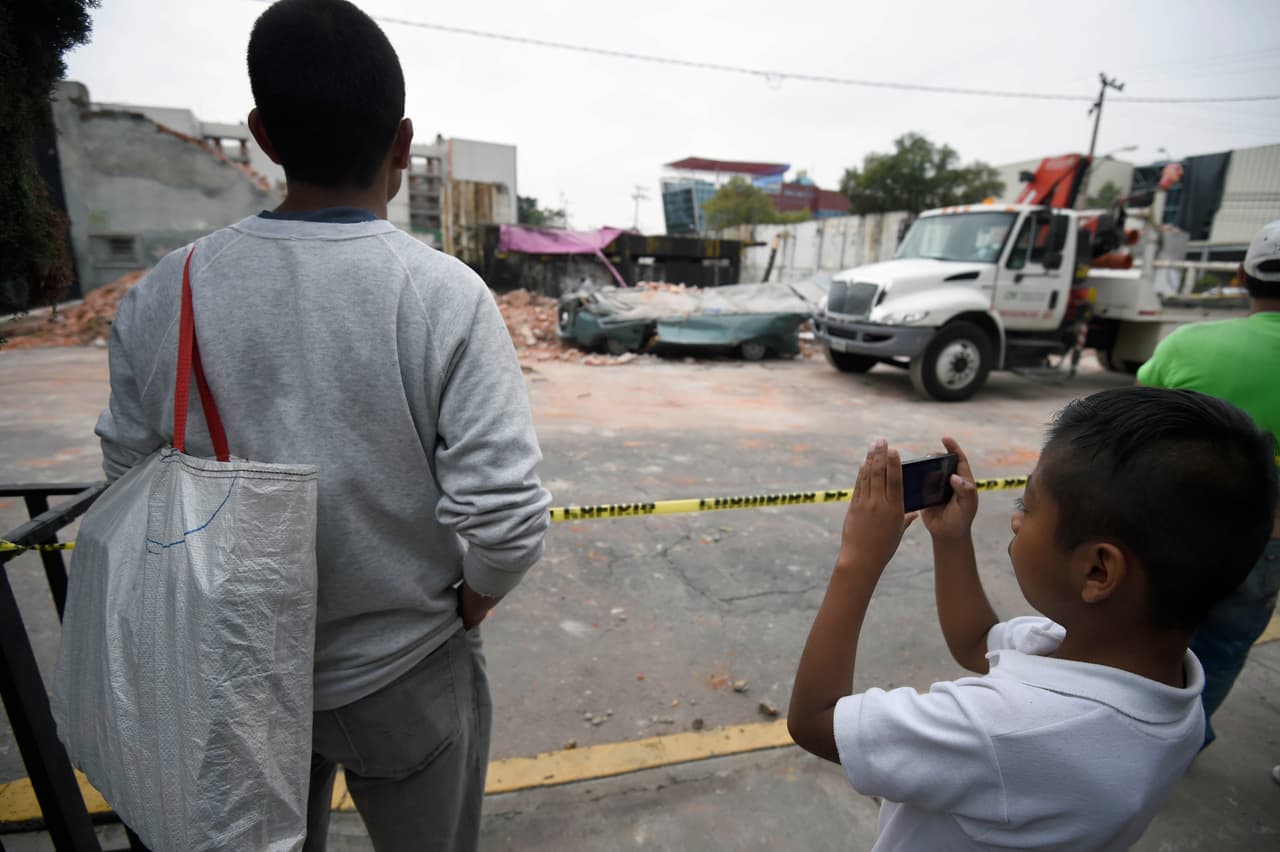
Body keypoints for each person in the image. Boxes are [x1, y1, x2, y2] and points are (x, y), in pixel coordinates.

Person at [94, 1, 550, 849]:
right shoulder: (442, 294)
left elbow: (127, 481)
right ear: (402, 145)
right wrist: (470, 603)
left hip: (234, 673)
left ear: (264, 135)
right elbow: (509, 520)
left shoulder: (165, 293)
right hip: (406, 668)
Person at [788, 387, 1276, 850]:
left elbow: (814, 721)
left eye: (1029, 506)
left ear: (1098, 570)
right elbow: (977, 642)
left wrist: (858, 560)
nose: (1016, 519)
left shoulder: (1002, 730)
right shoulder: (1172, 693)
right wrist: (952, 539)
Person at [1136, 219, 1280, 749]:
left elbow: (1134, 415)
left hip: (1170, 529)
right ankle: (1181, 744)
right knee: (1220, 651)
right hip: (1267, 541)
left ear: (1242, 276)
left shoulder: (1188, 343)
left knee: (1144, 637)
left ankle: (1127, 732)